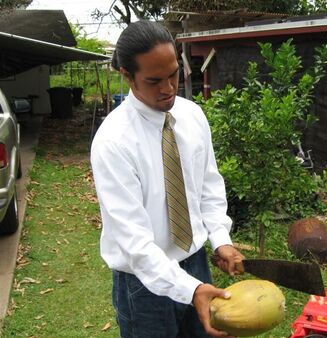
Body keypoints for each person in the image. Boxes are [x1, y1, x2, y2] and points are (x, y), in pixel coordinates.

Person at [90, 20, 244, 338]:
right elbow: (134, 243)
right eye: (154, 80)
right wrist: (188, 290)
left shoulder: (192, 116)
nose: (168, 88)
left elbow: (208, 187)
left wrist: (221, 240)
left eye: (174, 74)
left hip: (196, 262)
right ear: (127, 76)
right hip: (143, 282)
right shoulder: (113, 141)